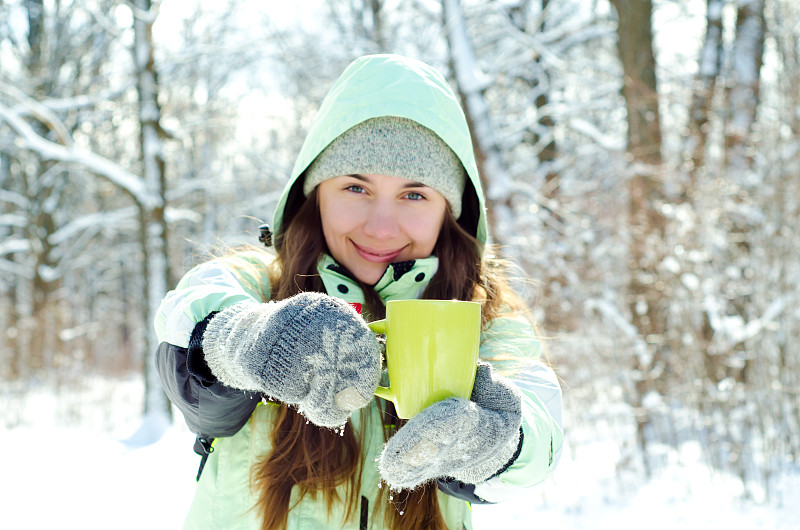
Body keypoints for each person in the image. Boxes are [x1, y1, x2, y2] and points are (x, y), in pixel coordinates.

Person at [155, 54, 563, 530]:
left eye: (414, 194)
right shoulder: (257, 285)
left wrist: (492, 442)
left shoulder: (484, 316)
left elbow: (538, 426)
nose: (380, 226)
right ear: (315, 194)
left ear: (447, 212)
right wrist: (248, 341)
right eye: (355, 187)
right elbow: (189, 323)